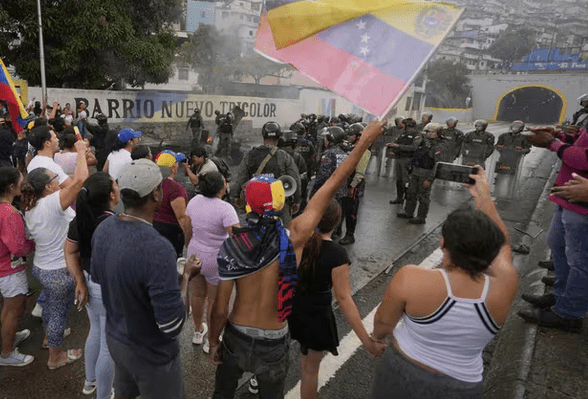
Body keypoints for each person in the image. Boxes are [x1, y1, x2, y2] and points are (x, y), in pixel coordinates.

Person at [209, 120, 386, 399]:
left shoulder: (233, 243)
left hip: (236, 335)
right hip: (274, 338)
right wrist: (364, 142)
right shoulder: (295, 237)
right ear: (281, 202)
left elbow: (220, 309)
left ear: (247, 203)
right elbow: (331, 185)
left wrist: (213, 341)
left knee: (222, 394)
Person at [371, 166, 517, 399]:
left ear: (442, 243)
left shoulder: (412, 277)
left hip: (403, 373)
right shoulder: (505, 283)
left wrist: (377, 339)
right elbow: (505, 244)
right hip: (463, 385)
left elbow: (383, 323)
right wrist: (483, 195)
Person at [90, 159, 202, 399]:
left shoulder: (104, 228)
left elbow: (101, 279)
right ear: (156, 195)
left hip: (117, 342)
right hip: (152, 354)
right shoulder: (158, 248)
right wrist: (186, 278)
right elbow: (172, 324)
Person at [289, 199, 385, 399]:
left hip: (290, 308)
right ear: (336, 222)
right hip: (316, 316)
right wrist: (366, 340)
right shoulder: (337, 254)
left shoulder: (296, 240)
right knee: (309, 371)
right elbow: (344, 300)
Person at [21, 139, 88, 370]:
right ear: (48, 187)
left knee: (51, 305)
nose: (59, 180)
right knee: (59, 312)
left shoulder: (32, 204)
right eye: (54, 178)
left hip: (42, 267)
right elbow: (79, 181)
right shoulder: (51, 202)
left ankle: (50, 338)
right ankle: (55, 357)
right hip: (59, 270)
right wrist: (80, 152)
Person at [519, 125, 588, 331]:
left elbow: (583, 158)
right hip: (569, 197)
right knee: (558, 246)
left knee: (580, 261)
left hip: (583, 206)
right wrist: (561, 136)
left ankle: (569, 313)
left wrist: (552, 143)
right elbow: (580, 143)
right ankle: (560, 296)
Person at [64, 172, 119, 398]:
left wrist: (80, 281)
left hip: (86, 281)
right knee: (108, 346)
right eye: (116, 185)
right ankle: (104, 395)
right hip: (106, 288)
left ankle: (90, 381)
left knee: (94, 330)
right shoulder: (112, 224)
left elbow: (70, 251)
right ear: (110, 195)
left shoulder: (80, 219)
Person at [0, 166, 36, 367]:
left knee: (10, 308)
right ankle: (7, 353)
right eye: (21, 183)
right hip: (8, 269)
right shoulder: (10, 213)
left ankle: (11, 335)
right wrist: (34, 243)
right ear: (12, 186)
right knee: (13, 310)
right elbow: (18, 247)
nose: (23, 186)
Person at [184, 171, 240, 353]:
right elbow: (236, 237)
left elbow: (187, 228)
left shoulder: (194, 201)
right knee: (215, 301)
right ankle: (212, 340)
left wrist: (190, 248)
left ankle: (198, 331)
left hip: (195, 253)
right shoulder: (225, 209)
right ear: (221, 187)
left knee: (198, 294)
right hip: (215, 259)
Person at [231, 122, 301, 226]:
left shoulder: (250, 155)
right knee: (283, 232)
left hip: (255, 203)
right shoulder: (284, 156)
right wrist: (297, 200)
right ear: (278, 136)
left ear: (263, 135)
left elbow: (241, 176)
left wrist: (237, 195)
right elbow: (295, 179)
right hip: (279, 204)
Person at [397, 123, 449, 224]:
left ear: (438, 133)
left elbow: (438, 165)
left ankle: (421, 217)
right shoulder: (423, 143)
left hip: (427, 173)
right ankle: (408, 212)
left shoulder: (439, 147)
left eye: (432, 132)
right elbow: (416, 154)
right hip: (416, 171)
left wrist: (430, 179)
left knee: (423, 196)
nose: (430, 134)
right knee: (411, 193)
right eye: (428, 132)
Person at [153, 150, 189, 258]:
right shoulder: (175, 189)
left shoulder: (152, 182)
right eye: (176, 163)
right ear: (173, 168)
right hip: (170, 232)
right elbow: (181, 218)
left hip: (153, 226)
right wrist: (189, 240)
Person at [386, 118, 419, 205]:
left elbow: (414, 147)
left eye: (404, 124)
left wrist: (398, 146)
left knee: (406, 180)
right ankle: (399, 197)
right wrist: (392, 146)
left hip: (408, 159)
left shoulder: (417, 135)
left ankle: (407, 200)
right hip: (400, 158)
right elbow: (397, 142)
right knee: (399, 179)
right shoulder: (403, 134)